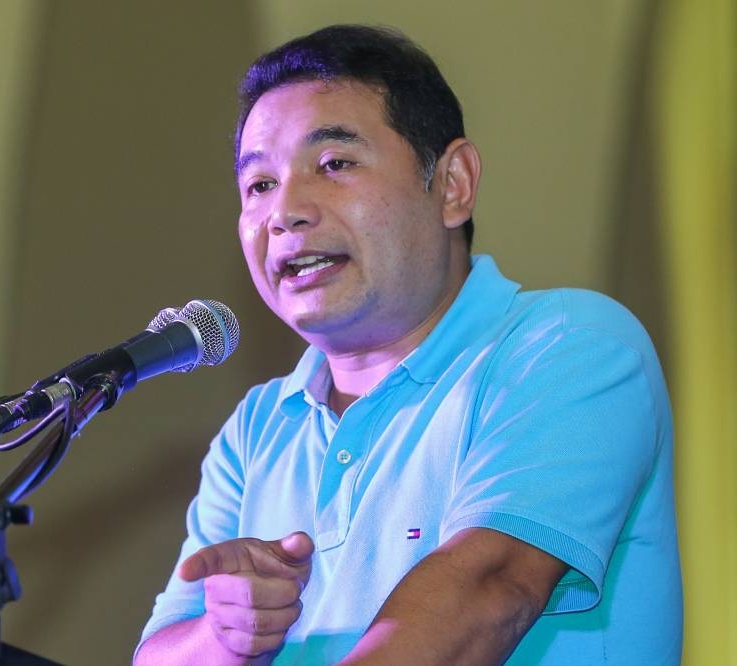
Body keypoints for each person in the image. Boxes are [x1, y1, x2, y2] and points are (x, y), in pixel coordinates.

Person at [134, 24, 681, 665]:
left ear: (452, 184)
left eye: (334, 164)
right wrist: (225, 636)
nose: (284, 211)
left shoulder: (568, 346)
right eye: (258, 185)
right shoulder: (257, 430)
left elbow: (485, 594)